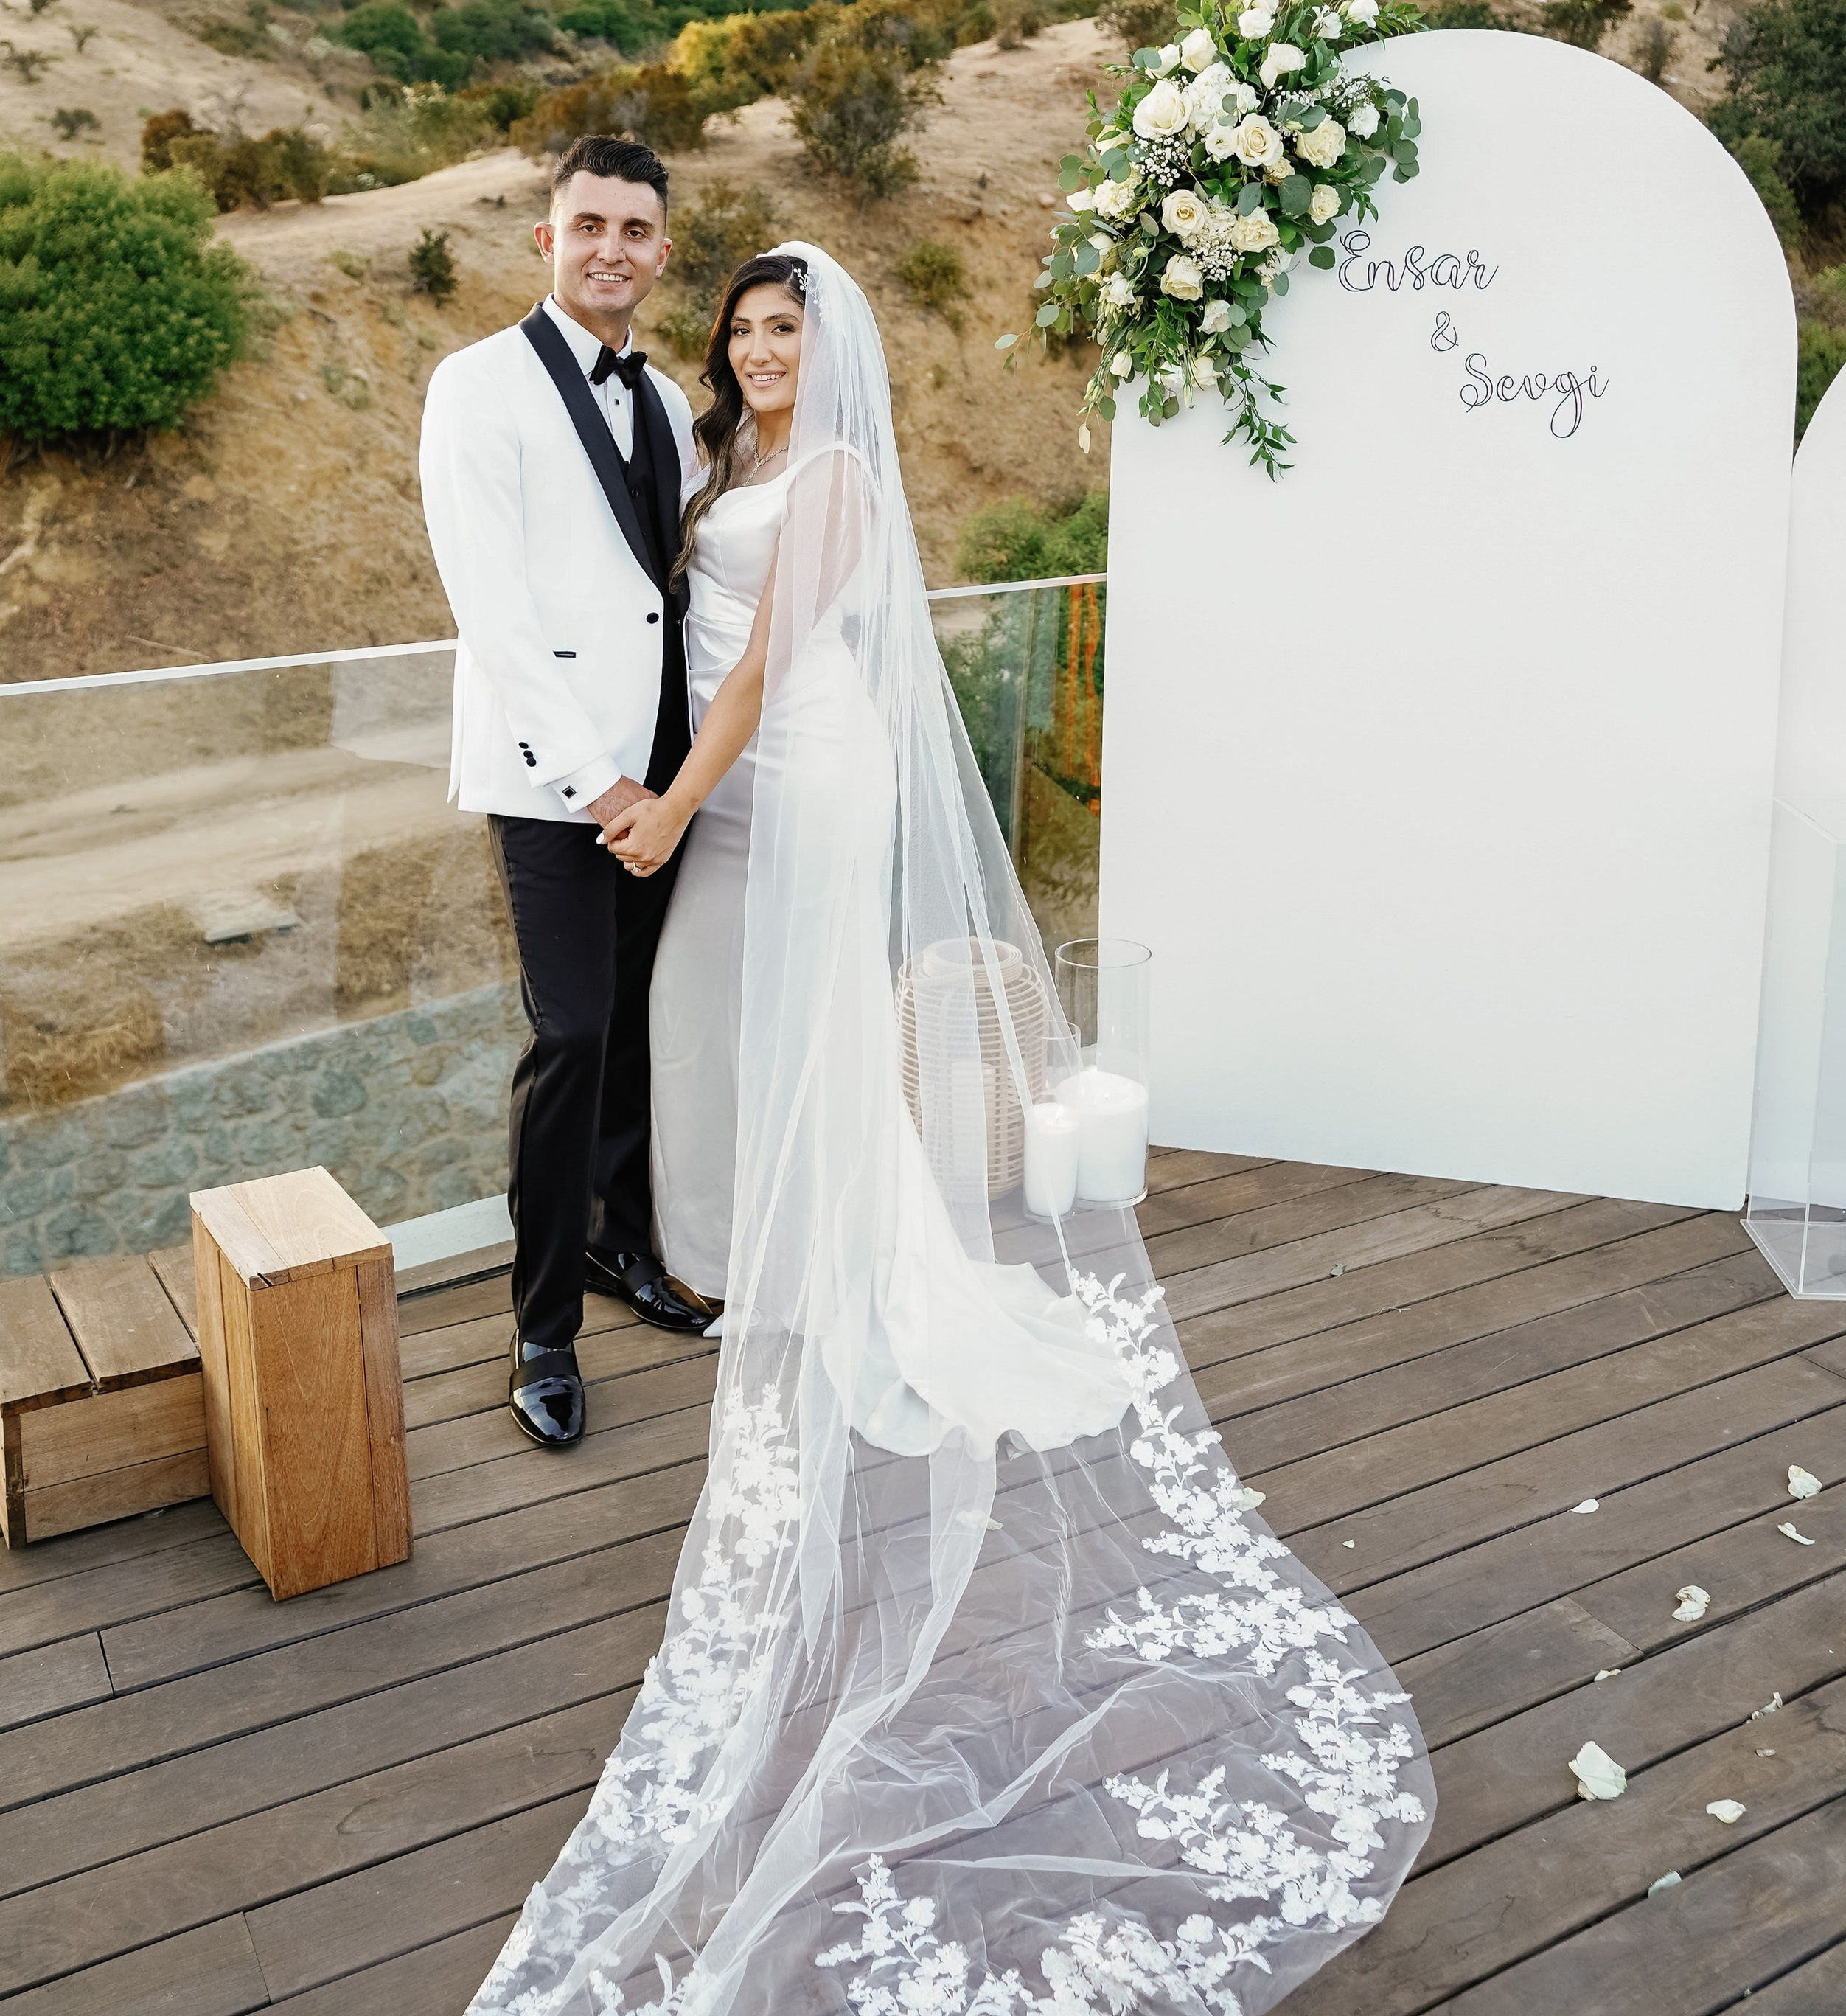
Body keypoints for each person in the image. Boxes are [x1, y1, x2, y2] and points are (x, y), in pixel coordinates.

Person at [470, 244, 1434, 2016]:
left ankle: (846, 1265)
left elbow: (762, 659)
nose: (760, 350)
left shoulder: (827, 471)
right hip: (724, 783)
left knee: (802, 1027)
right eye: (743, 329)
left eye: (787, 328)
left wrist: (679, 799)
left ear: (830, 349)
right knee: (717, 1030)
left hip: (792, 779)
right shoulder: (718, 458)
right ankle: (766, 1245)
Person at [419, 133, 709, 1456]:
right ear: (549, 238)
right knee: (574, 1036)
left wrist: (684, 777)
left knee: (642, 1026)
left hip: (668, 775)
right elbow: (497, 613)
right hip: (560, 787)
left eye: (635, 230)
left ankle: (622, 1246)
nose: (611, 249)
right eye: (588, 224)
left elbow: (676, 597)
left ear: (660, 249)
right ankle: (541, 1327)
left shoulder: (666, 400)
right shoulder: (476, 387)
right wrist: (602, 788)